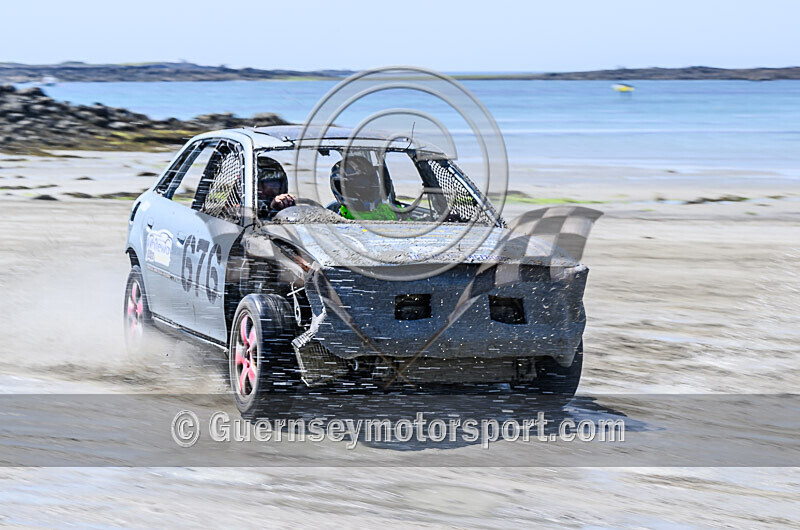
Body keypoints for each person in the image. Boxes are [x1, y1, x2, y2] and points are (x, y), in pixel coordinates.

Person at [330, 155, 398, 220]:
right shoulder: (335, 218)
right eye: (362, 184)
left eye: (371, 180)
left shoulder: (389, 209)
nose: (370, 187)